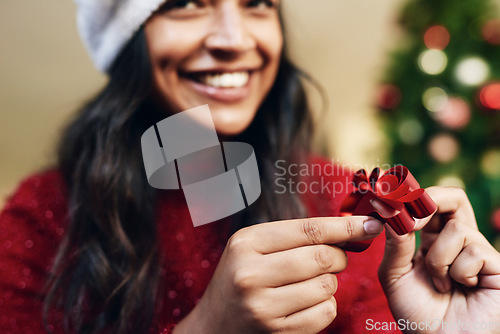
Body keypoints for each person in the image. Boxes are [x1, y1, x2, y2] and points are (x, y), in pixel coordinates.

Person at [1, 0, 499, 333]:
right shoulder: (43, 216)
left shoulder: (342, 198)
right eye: (186, 3)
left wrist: (442, 327)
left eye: (258, 2)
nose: (235, 39)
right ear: (127, 36)